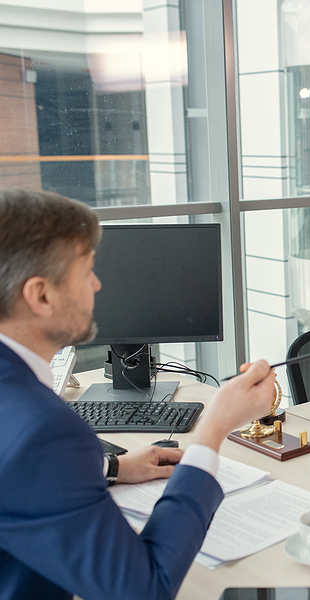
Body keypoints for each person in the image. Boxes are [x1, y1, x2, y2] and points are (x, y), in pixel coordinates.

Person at [0, 189, 279, 600]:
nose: (97, 284)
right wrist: (213, 430)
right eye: (87, 270)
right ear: (40, 295)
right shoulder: (43, 428)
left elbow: (20, 480)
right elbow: (144, 590)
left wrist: (112, 467)